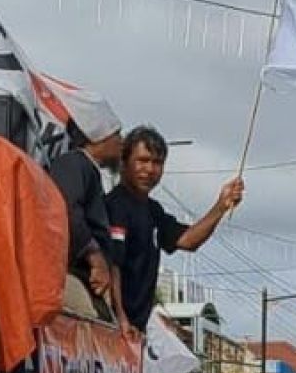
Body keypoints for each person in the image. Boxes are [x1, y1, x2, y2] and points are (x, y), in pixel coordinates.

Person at [104, 127, 244, 338]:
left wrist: (221, 205)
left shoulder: (153, 210)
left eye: (157, 163)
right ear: (124, 163)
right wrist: (121, 319)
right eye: (142, 160)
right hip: (113, 326)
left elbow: (188, 240)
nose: (150, 169)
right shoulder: (115, 206)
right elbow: (112, 265)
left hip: (136, 329)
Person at [48, 115, 125, 322]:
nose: (121, 141)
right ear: (96, 137)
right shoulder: (73, 163)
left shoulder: (87, 169)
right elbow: (67, 210)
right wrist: (94, 257)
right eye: (116, 134)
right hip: (71, 274)